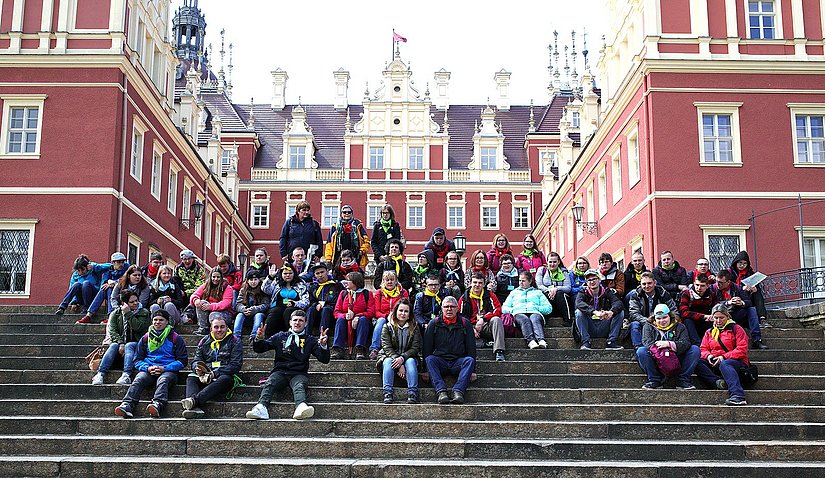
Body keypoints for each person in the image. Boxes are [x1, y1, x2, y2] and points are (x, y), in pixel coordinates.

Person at [246, 310, 330, 420]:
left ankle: (301, 406)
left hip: (299, 373)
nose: (297, 323)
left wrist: (323, 345)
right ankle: (261, 407)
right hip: (280, 372)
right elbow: (260, 349)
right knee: (270, 383)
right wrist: (259, 338)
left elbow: (324, 359)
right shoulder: (280, 336)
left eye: (301, 320)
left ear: (306, 323)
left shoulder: (310, 340)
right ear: (290, 322)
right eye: (295, 320)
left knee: (299, 386)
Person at [115, 309, 188, 418]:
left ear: (167, 322)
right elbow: (137, 360)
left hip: (168, 370)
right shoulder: (145, 338)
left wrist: (165, 368)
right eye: (155, 320)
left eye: (161, 320)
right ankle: (127, 404)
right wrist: (147, 368)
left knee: (163, 380)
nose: (157, 322)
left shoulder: (175, 338)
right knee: (138, 379)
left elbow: (183, 361)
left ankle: (158, 404)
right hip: (149, 368)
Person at [181, 316, 243, 419]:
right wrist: (197, 368)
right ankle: (194, 408)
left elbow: (235, 365)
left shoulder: (235, 341)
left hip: (224, 376)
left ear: (227, 328)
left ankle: (193, 401)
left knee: (225, 379)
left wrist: (215, 373)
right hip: (205, 375)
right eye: (216, 327)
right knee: (191, 378)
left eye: (222, 327)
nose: (219, 330)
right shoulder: (204, 341)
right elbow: (196, 360)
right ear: (211, 329)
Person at [422, 296, 476, 405]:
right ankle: (441, 392)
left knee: (469, 360)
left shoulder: (465, 324)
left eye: (452, 307)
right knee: (429, 359)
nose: (449, 309)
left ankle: (458, 391)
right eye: (446, 307)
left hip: (458, 361)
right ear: (442, 308)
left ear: (457, 308)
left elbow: (471, 348)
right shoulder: (434, 324)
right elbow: (427, 348)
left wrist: (473, 370)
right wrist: (425, 369)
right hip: (440, 361)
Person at [694, 304, 752, 406]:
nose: (718, 321)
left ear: (727, 317)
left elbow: (742, 349)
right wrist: (708, 356)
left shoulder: (736, 329)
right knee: (697, 362)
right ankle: (717, 382)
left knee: (725, 364)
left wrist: (723, 357)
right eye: (716, 318)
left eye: (721, 318)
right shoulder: (709, 332)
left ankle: (738, 395)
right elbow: (703, 349)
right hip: (715, 361)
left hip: (735, 362)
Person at [92, 290, 150, 386]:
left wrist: (128, 314)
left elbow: (139, 327)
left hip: (137, 346)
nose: (135, 303)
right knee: (114, 345)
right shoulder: (116, 313)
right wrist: (120, 343)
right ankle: (100, 374)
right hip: (120, 348)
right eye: (132, 302)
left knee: (130, 345)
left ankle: (126, 374)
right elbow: (113, 331)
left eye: (136, 300)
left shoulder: (144, 312)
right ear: (124, 303)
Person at [636, 304, 700, 390]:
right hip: (657, 357)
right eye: (658, 318)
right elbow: (647, 342)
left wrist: (669, 344)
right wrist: (660, 348)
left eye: (664, 317)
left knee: (695, 350)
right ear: (654, 319)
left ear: (670, 316)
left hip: (676, 357)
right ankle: (654, 380)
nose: (662, 320)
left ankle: (683, 380)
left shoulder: (680, 326)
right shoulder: (648, 326)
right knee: (641, 351)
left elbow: (686, 343)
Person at [376, 298, 421, 404]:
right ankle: (387, 392)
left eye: (406, 311)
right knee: (387, 361)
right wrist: (399, 362)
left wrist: (402, 358)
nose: (403, 313)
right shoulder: (387, 326)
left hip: (408, 357)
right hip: (390, 357)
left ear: (409, 314)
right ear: (395, 312)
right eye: (401, 310)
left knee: (410, 361)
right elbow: (386, 347)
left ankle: (413, 392)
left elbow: (415, 348)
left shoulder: (414, 327)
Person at [712, 270, 767, 350]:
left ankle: (757, 340)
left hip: (734, 315)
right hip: (719, 317)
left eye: (721, 282)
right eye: (717, 281)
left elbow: (748, 302)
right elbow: (712, 305)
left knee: (751, 309)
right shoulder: (712, 288)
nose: (718, 284)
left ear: (728, 282)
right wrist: (728, 303)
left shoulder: (736, 287)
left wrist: (741, 303)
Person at [458, 272, 506, 362]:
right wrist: (470, 328)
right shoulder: (464, 298)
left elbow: (497, 310)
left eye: (480, 283)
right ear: (470, 283)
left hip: (486, 325)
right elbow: (460, 316)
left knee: (497, 320)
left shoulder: (490, 295)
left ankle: (499, 351)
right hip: (471, 327)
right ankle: (485, 343)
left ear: (484, 284)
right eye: (475, 282)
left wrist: (483, 319)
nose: (477, 285)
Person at [574, 269, 624, 350]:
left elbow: (618, 303)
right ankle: (586, 342)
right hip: (589, 326)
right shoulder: (583, 292)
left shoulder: (607, 291)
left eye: (594, 279)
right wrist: (594, 312)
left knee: (619, 312)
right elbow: (579, 303)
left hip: (604, 324)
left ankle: (612, 341)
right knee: (578, 312)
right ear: (586, 282)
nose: (592, 282)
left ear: (599, 280)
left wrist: (611, 312)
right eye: (589, 280)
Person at [502, 271, 552, 349]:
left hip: (534, 312)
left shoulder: (538, 292)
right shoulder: (513, 293)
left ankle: (541, 340)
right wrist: (514, 310)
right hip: (518, 313)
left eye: (523, 281)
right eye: (520, 280)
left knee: (534, 319)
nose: (521, 283)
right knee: (524, 319)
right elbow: (504, 308)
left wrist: (536, 308)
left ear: (530, 281)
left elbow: (548, 308)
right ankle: (531, 341)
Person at [628, 272, 679, 349]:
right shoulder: (636, 295)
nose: (647, 286)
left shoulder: (663, 294)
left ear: (654, 283)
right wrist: (648, 321)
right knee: (634, 325)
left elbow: (673, 310)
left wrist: (667, 320)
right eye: (644, 284)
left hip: (662, 323)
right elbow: (633, 313)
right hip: (643, 322)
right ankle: (639, 348)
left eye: (649, 283)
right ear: (640, 284)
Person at [331, 271, 374, 359]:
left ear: (355, 282)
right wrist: (345, 316)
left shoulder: (367, 294)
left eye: (348, 280)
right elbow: (336, 312)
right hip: (346, 323)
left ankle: (360, 349)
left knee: (363, 320)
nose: (345, 282)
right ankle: (337, 349)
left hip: (361, 323)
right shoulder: (343, 293)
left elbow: (371, 312)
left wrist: (358, 316)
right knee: (340, 320)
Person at [77, 252, 130, 323]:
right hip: (111, 293)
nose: (121, 264)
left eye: (123, 262)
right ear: (113, 263)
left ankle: (110, 316)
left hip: (124, 292)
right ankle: (89, 315)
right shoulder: (109, 269)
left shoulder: (127, 267)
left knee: (109, 288)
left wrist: (115, 283)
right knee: (104, 288)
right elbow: (104, 282)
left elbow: (126, 278)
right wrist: (107, 283)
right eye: (119, 262)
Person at [369, 271, 410, 360]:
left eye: (392, 280)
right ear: (383, 281)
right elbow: (376, 311)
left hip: (399, 317)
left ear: (396, 281)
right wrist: (387, 316)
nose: (390, 282)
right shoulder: (379, 293)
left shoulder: (403, 292)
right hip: (383, 317)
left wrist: (394, 316)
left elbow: (406, 307)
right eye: (387, 280)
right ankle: (374, 349)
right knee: (380, 321)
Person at [262, 263, 309, 336]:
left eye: (290, 273)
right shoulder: (277, 282)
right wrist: (270, 277)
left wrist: (295, 303)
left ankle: (290, 336)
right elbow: (265, 289)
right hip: (277, 308)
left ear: (294, 273)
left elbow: (306, 301)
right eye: (285, 273)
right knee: (275, 312)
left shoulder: (301, 284)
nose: (288, 275)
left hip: (293, 308)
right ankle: (266, 336)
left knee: (288, 311)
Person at [729, 250, 771, 329]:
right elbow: (729, 286)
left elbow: (756, 284)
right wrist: (742, 288)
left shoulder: (750, 273)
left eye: (744, 263)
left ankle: (762, 318)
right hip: (735, 295)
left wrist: (754, 289)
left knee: (757, 293)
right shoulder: (730, 272)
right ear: (736, 262)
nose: (742, 265)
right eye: (740, 263)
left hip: (748, 297)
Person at [325, 204, 370, 269]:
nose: (347, 214)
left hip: (355, 257)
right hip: (338, 258)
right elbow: (329, 244)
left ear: (352, 213)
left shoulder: (358, 226)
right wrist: (328, 258)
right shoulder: (335, 227)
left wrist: (362, 251)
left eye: (349, 212)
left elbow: (367, 242)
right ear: (341, 214)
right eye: (344, 212)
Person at [190, 269, 234, 336]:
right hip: (208, 313)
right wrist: (196, 300)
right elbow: (195, 294)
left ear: (221, 277)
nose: (215, 279)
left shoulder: (227, 288)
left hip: (224, 313)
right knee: (202, 302)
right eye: (213, 277)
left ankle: (222, 330)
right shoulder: (206, 285)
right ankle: (203, 328)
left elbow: (226, 302)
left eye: (218, 277)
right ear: (210, 277)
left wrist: (211, 307)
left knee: (213, 315)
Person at [678, 275, 718, 346]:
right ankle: (698, 345)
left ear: (707, 286)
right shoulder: (687, 294)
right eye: (697, 285)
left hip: (705, 321)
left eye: (702, 286)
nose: (699, 288)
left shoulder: (711, 295)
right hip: (691, 321)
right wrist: (704, 316)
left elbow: (717, 308)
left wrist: (713, 316)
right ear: (693, 283)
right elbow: (683, 312)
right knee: (687, 321)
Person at [535, 252, 573, 326]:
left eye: (555, 262)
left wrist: (556, 289)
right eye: (550, 262)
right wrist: (550, 290)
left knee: (560, 293)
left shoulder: (564, 271)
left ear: (558, 262)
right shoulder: (542, 270)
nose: (552, 264)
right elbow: (539, 285)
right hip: (547, 297)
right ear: (547, 262)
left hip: (561, 300)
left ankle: (568, 320)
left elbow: (568, 288)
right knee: (544, 294)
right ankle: (545, 321)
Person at [305, 262, 341, 337]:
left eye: (322, 272)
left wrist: (324, 304)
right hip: (316, 313)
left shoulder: (336, 285)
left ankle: (323, 336)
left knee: (326, 309)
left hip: (330, 313)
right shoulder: (312, 287)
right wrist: (316, 304)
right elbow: (311, 301)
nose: (320, 275)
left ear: (327, 272)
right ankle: (306, 335)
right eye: (317, 273)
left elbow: (337, 300)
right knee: (311, 309)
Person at [234, 269, 270, 342]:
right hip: (246, 314)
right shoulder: (243, 290)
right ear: (247, 281)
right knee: (239, 315)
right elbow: (238, 304)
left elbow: (266, 305)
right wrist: (243, 309)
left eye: (255, 279)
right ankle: (236, 336)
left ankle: (254, 336)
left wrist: (255, 309)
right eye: (251, 280)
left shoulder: (263, 290)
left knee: (258, 315)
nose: (253, 282)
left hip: (258, 315)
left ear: (259, 280)